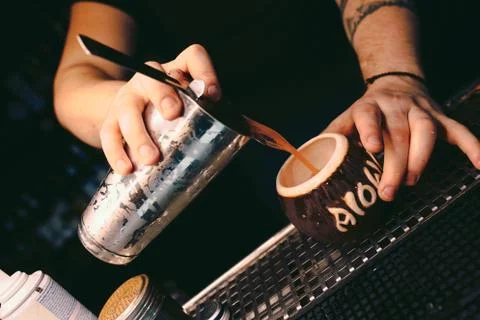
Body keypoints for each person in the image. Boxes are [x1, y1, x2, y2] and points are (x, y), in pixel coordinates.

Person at [53, 0, 479, 293]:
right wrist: (129, 103)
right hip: (266, 158)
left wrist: (395, 75)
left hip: (398, 104)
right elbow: (76, 78)